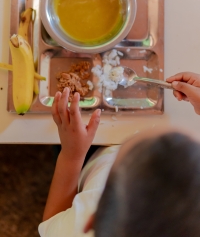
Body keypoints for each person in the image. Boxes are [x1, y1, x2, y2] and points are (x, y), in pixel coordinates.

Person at [38, 72, 200, 237]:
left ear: (90, 222)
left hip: (86, 158)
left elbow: (52, 220)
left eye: (132, 147)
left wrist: (71, 155)